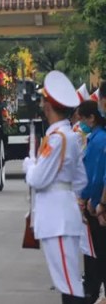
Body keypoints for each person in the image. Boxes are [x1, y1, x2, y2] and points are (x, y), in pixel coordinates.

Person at [22, 71, 87, 304]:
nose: (41, 105)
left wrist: (30, 166)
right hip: (63, 212)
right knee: (68, 282)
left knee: (68, 284)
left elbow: (38, 180)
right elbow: (80, 180)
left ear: (48, 106)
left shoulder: (58, 138)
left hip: (56, 218)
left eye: (43, 101)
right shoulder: (69, 135)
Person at [76, 100, 106, 303]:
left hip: (96, 204)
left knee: (98, 252)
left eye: (83, 119)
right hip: (94, 201)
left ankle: (93, 290)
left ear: (91, 118)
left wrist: (89, 199)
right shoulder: (96, 138)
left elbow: (96, 176)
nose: (81, 124)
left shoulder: (98, 140)